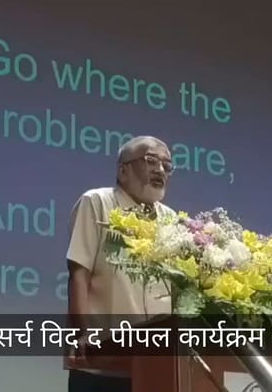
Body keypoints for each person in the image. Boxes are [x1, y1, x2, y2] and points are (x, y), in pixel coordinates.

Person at [65, 135, 176, 391]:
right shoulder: (98, 202)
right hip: (103, 363)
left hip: (156, 367)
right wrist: (82, 334)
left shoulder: (171, 220)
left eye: (166, 165)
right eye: (151, 161)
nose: (160, 170)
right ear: (123, 170)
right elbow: (79, 273)